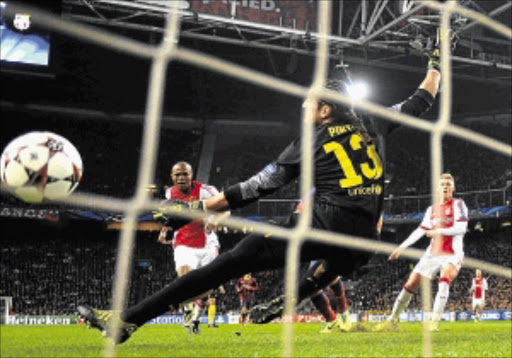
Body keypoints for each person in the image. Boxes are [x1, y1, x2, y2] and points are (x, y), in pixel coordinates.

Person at [77, 40, 444, 344]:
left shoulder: (312, 140)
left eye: (309, 102)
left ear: (326, 110)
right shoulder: (374, 124)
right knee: (332, 266)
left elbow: (258, 186)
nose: (303, 106)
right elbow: (422, 99)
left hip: (325, 222)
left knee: (229, 264)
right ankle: (289, 300)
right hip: (366, 238)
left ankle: (129, 320)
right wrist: (437, 63)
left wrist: (192, 210)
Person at [374, 173, 468, 332]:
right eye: (442, 184)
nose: (445, 186)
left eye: (448, 184)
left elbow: (461, 228)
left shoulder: (459, 204)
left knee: (444, 279)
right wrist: (401, 247)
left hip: (453, 254)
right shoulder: (431, 210)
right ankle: (392, 320)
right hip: (432, 254)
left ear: (453, 188)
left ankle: (434, 322)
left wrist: (437, 231)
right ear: (438, 188)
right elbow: (420, 230)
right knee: (410, 285)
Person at [155, 161, 229, 334]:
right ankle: (188, 313)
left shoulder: (206, 191)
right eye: (177, 174)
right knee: (185, 279)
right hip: (183, 242)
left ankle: (196, 318)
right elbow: (170, 216)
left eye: (185, 174)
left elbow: (226, 209)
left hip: (207, 243)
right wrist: (164, 229)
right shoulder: (169, 194)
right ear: (172, 177)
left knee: (207, 287)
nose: (181, 178)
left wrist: (216, 221)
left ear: (191, 175)